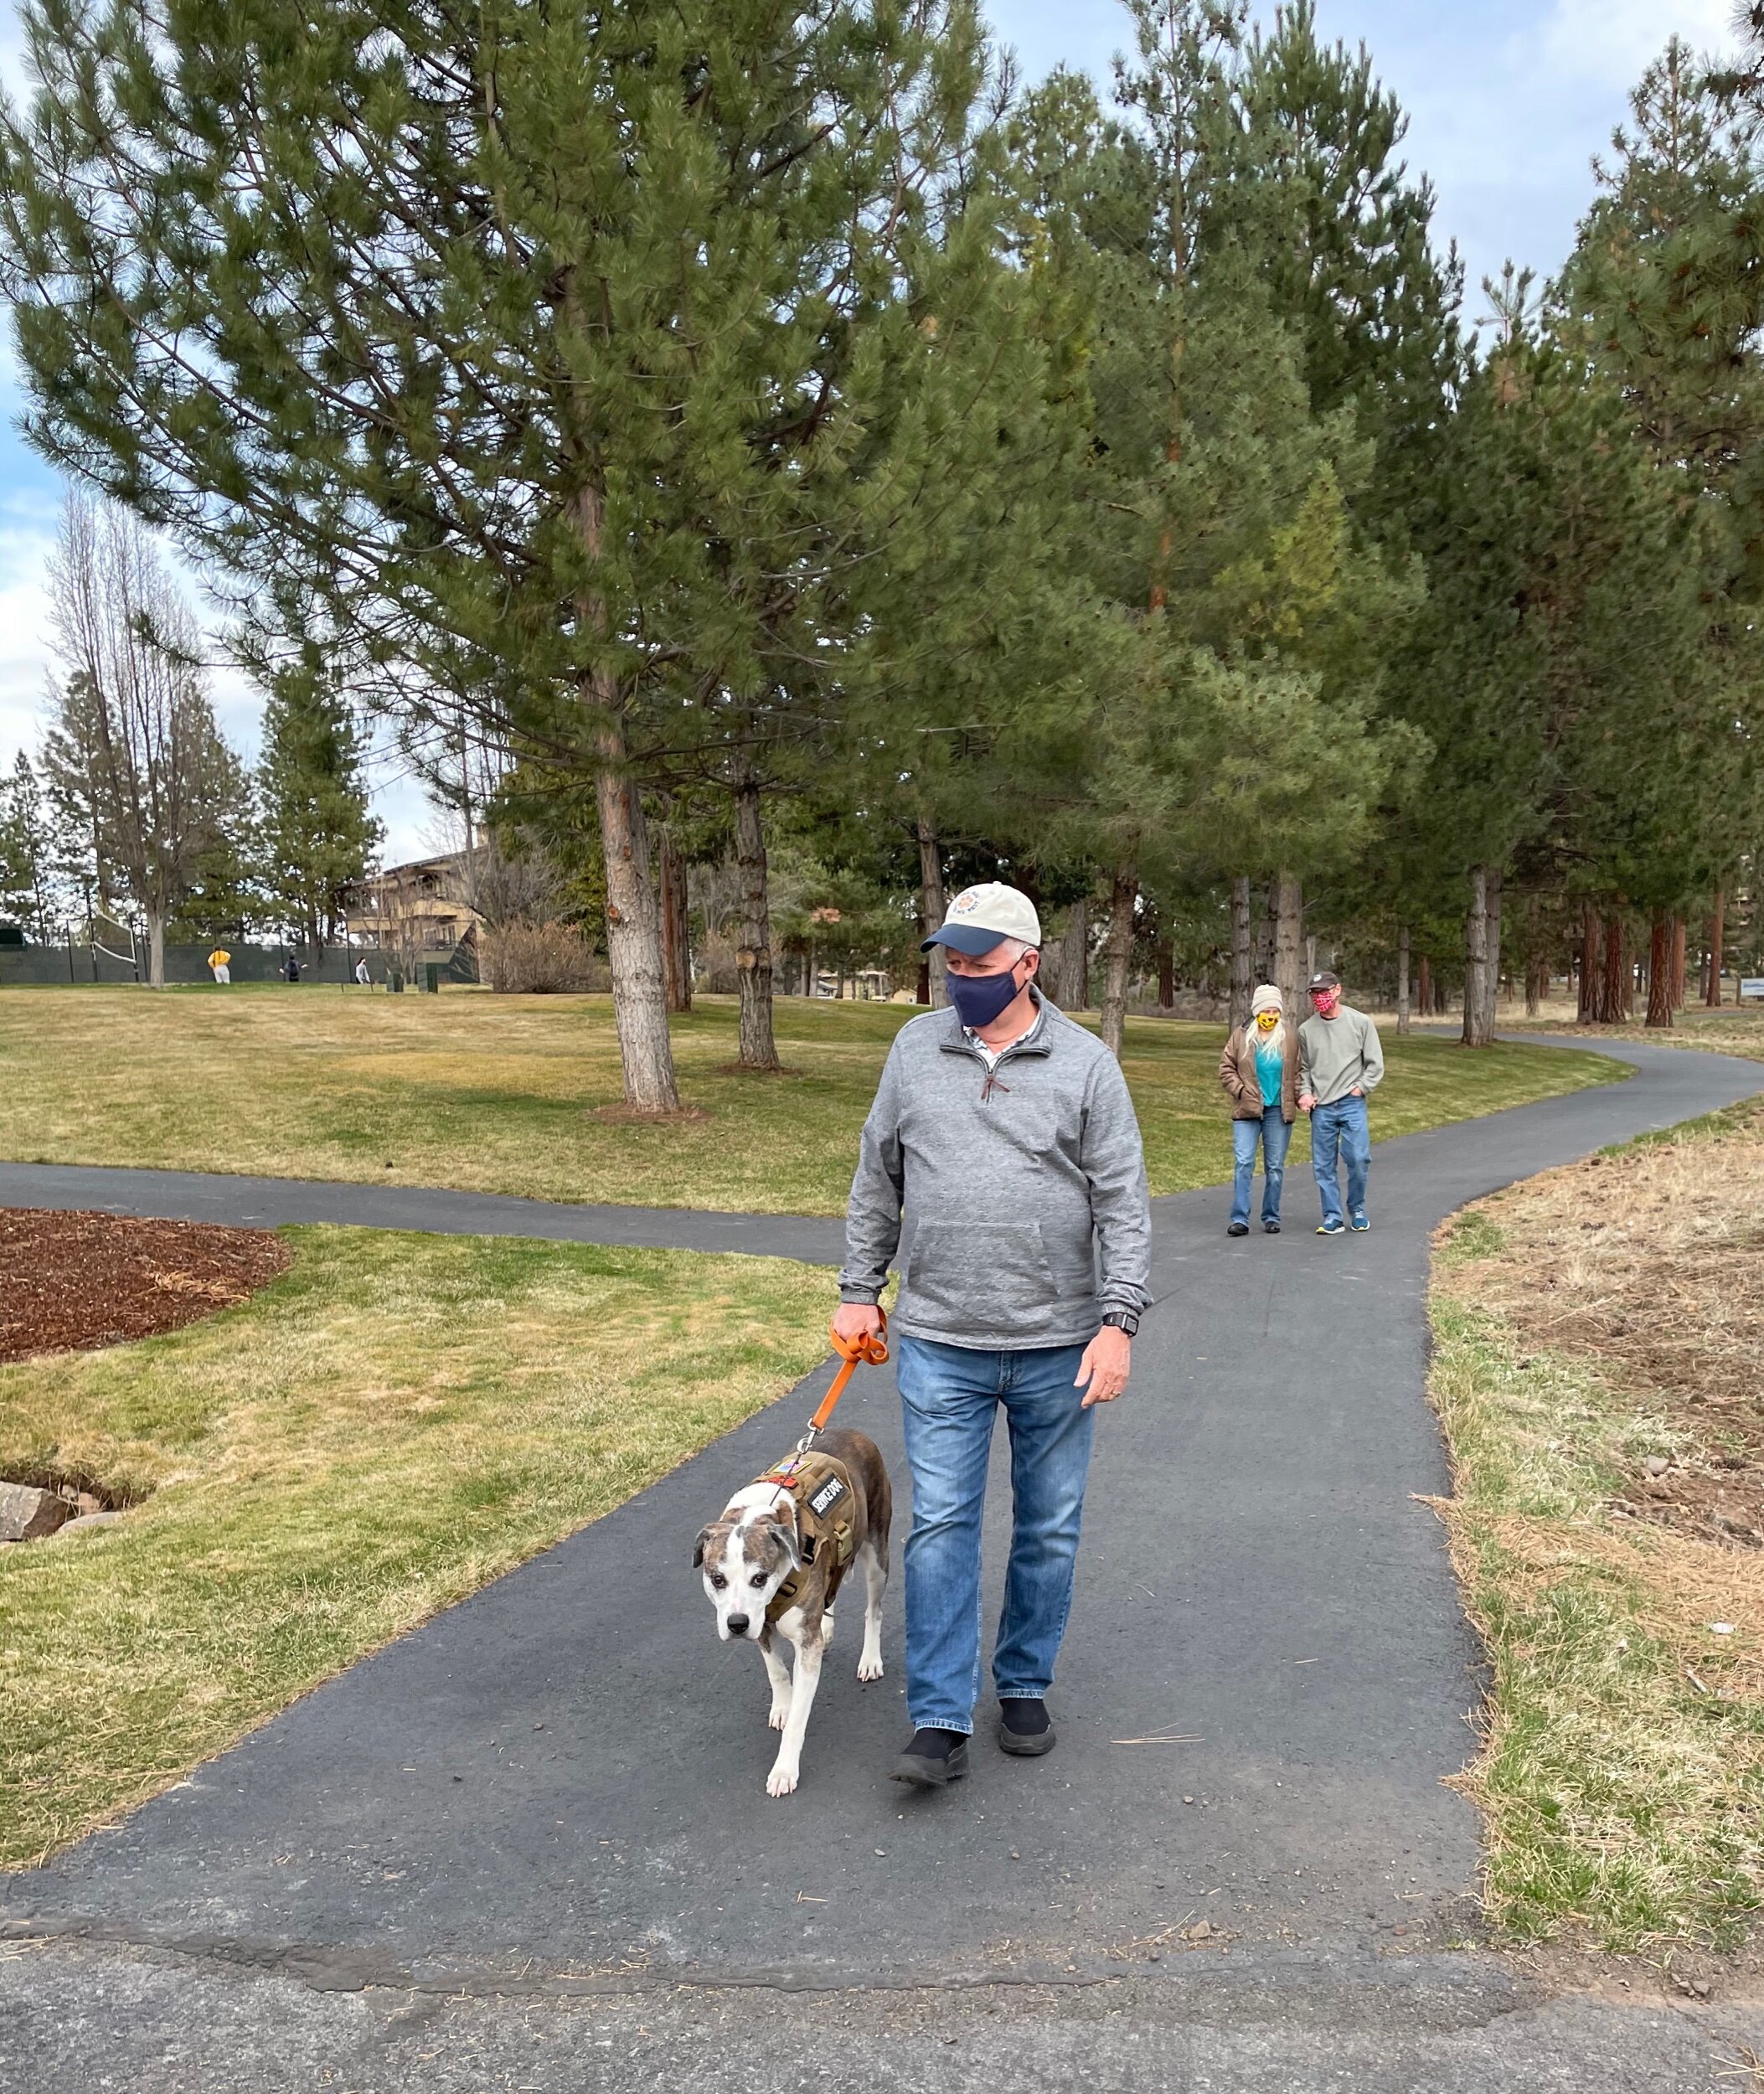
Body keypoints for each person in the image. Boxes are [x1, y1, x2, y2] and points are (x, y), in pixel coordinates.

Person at [837, 881, 1152, 1791]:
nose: (959, 975)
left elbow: (1122, 1203)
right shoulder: (913, 1048)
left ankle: (1021, 1683)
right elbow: (877, 1175)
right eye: (951, 959)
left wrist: (1118, 1322)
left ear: (1027, 963)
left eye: (977, 961)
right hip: (940, 1338)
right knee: (939, 1525)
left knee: (1048, 1526)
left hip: (1059, 1343)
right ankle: (937, 1715)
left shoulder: (1087, 1064)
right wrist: (861, 1289)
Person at [1297, 970, 1385, 1236]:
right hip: (1321, 1106)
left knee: (1359, 1158)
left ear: (1337, 990)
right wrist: (1305, 1092)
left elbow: (1374, 1064)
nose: (1319, 998)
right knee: (1323, 1164)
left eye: (1324, 992)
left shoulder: (1361, 1022)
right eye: (1314, 994)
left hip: (1351, 1102)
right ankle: (1332, 1216)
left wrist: (1360, 1089)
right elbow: (1304, 1069)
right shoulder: (1306, 1030)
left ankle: (1357, 1209)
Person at [1218, 983, 1297, 1236]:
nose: (1271, 1015)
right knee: (1244, 1162)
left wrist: (1299, 1094)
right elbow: (1226, 1067)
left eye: (1276, 1010)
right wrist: (1240, 1090)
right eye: (1266, 1010)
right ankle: (1240, 1218)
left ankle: (1271, 1216)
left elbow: (1299, 1071)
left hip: (1278, 1110)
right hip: (1247, 1110)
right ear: (1256, 1011)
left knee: (1274, 1167)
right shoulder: (1241, 1035)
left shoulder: (1290, 1036)